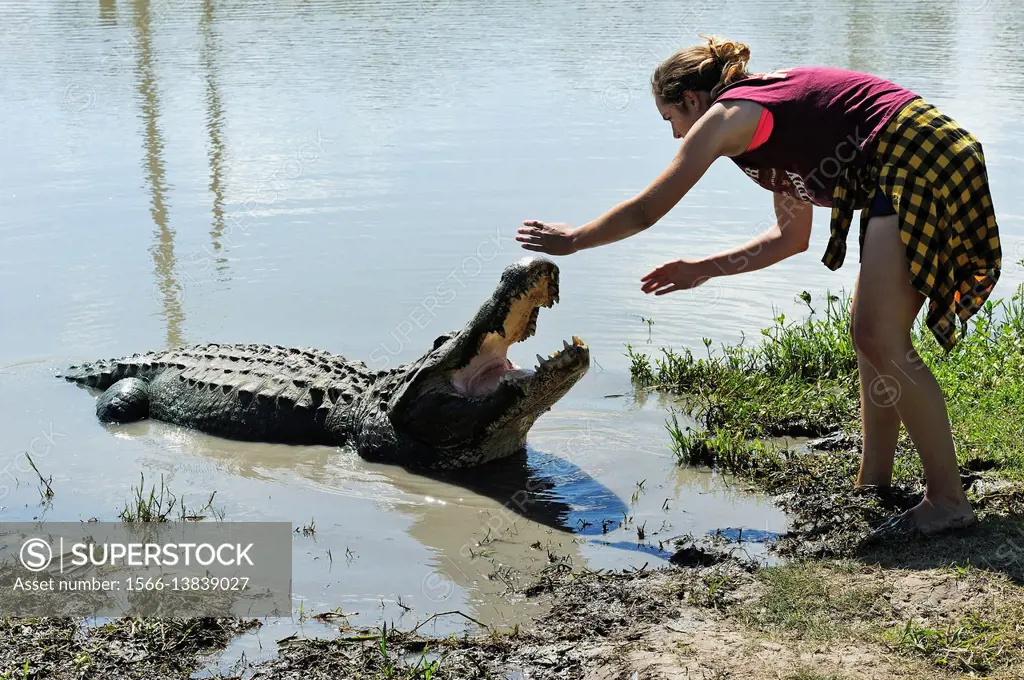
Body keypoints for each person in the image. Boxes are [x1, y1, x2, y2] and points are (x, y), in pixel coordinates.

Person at [516, 35, 1002, 537]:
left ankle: (947, 500)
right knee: (870, 335)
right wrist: (701, 267)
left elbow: (646, 209)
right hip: (913, 156)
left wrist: (574, 239)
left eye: (671, 121)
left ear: (692, 101)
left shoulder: (730, 115)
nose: (676, 135)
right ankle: (873, 481)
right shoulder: (766, 130)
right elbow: (789, 239)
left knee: (880, 334)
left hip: (917, 151)